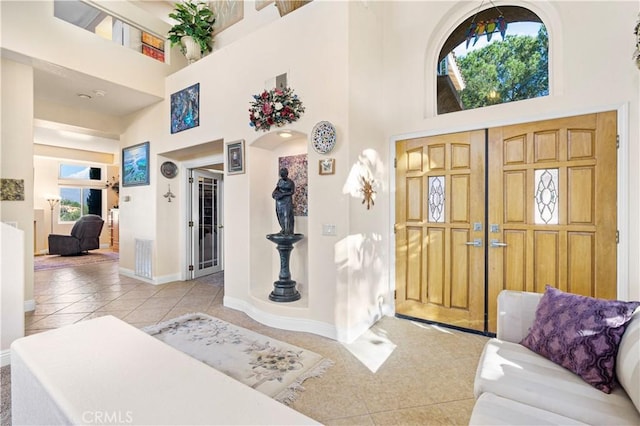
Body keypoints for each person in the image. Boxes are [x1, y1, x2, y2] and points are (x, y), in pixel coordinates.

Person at [272, 167, 295, 234]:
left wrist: (283, 194)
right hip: (279, 201)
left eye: (283, 175)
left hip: (287, 200)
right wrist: (274, 193)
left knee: (286, 215)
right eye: (281, 175)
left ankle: (287, 231)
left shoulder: (291, 182)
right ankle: (283, 229)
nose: (282, 176)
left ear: (286, 174)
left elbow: (292, 192)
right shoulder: (280, 181)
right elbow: (277, 188)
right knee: (280, 214)